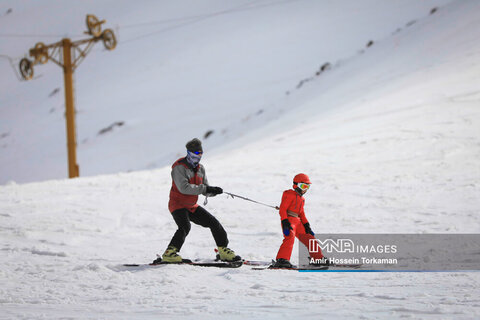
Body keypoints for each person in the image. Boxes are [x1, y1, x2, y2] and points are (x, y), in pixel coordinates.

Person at [159, 138, 241, 263]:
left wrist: (212, 191)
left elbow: (203, 188)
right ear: (188, 153)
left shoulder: (200, 169)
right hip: (178, 204)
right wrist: (205, 188)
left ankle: (223, 251)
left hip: (191, 205)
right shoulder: (179, 167)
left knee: (214, 223)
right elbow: (184, 188)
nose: (197, 158)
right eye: (195, 155)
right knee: (185, 226)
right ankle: (170, 253)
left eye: (200, 155)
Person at [273, 173, 326, 268]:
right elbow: (283, 209)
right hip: (289, 221)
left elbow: (302, 213)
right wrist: (285, 222)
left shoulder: (302, 199)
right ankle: (282, 259)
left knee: (310, 238)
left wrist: (307, 225)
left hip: (298, 222)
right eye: (303, 186)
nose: (305, 189)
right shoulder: (289, 194)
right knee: (290, 237)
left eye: (307, 186)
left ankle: (317, 258)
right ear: (295, 185)